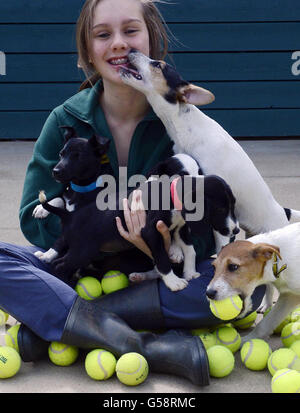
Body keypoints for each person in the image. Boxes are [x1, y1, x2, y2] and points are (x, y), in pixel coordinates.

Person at [0, 0, 265, 386]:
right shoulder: (65, 120)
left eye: (131, 31)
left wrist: (153, 244)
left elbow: (212, 227)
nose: (119, 43)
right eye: (103, 35)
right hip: (78, 268)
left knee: (246, 296)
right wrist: (101, 237)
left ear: (152, 42)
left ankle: (66, 321)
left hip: (157, 275)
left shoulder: (184, 128)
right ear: (86, 54)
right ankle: (143, 345)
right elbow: (30, 215)